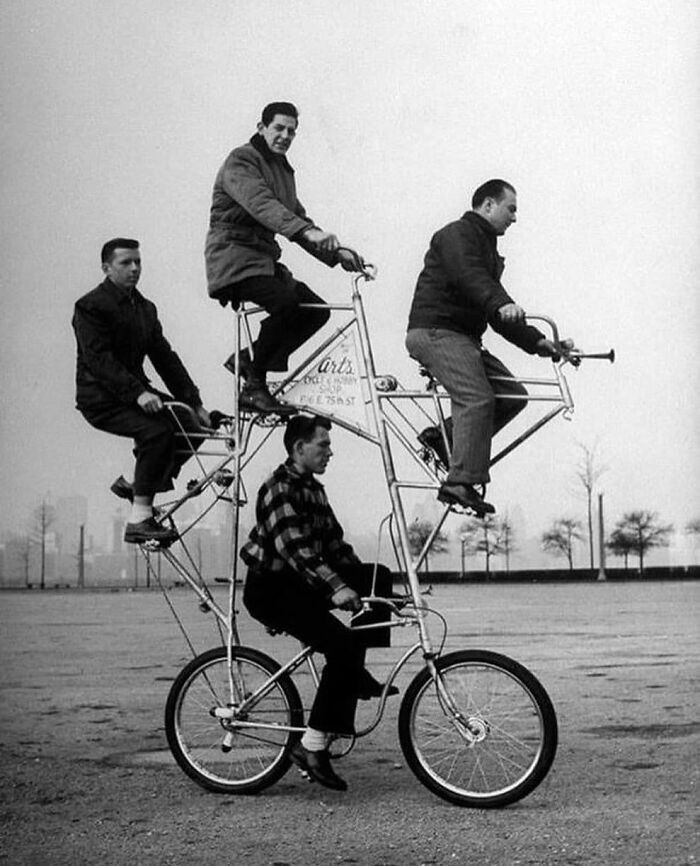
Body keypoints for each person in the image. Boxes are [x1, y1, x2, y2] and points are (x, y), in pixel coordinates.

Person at [242, 415, 397, 792]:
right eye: (323, 445)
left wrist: (372, 590)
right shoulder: (277, 488)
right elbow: (295, 549)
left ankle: (356, 674)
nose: (330, 451)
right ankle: (311, 748)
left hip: (300, 584)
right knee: (343, 646)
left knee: (377, 574)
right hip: (272, 589)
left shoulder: (314, 490)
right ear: (299, 448)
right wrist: (337, 589)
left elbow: (334, 547)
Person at [405, 179, 573, 516]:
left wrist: (539, 342)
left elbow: (493, 309)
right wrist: (501, 302)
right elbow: (471, 279)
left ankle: (443, 440)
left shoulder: (486, 249)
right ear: (487, 205)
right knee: (477, 398)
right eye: (511, 209)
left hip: (463, 338)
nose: (514, 218)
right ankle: (459, 482)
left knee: (512, 395)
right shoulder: (458, 235)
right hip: (438, 331)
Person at [205, 101, 367, 415]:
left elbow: (295, 215)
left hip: (262, 261)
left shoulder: (280, 169)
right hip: (233, 259)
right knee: (285, 304)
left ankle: (248, 359)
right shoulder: (241, 161)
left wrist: (339, 253)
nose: (285, 135)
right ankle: (254, 386)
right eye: (279, 128)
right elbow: (263, 205)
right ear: (261, 127)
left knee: (315, 310)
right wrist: (306, 233)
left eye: (291, 131)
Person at [72, 238, 211, 544]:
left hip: (135, 393)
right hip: (101, 399)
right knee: (157, 432)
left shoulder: (145, 308)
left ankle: (139, 486)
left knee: (195, 427)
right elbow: (99, 360)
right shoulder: (91, 306)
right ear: (106, 269)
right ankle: (139, 519)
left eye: (138, 262)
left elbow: (165, 357)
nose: (134, 269)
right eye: (125, 263)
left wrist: (194, 402)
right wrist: (138, 393)